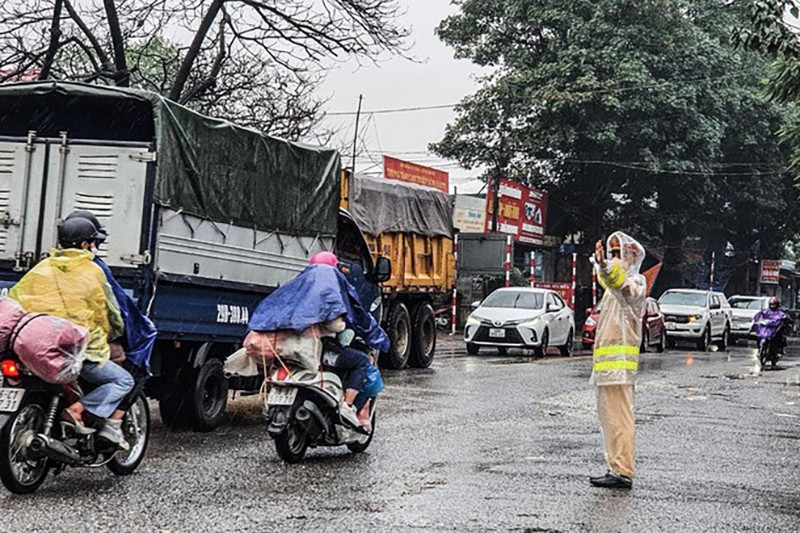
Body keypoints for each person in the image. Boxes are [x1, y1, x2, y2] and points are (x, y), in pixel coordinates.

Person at [9, 217, 133, 448]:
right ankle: (77, 410)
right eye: (92, 243)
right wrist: (116, 331)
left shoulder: (41, 268)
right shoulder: (93, 272)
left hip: (30, 346)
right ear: (86, 245)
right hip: (75, 351)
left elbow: (14, 302)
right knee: (123, 380)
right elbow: (109, 313)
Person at [63, 210, 157, 427]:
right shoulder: (95, 269)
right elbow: (117, 310)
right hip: (84, 345)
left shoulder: (45, 266)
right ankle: (110, 424)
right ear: (87, 244)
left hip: (43, 340)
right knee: (132, 373)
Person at [588, 232, 646, 489]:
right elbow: (609, 280)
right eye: (610, 254)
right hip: (608, 370)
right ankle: (615, 467)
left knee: (620, 418)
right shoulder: (613, 288)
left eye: (616, 253)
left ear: (631, 256)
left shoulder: (635, 283)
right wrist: (601, 266)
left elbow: (621, 285)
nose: (613, 259)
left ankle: (623, 471)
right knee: (609, 419)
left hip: (620, 368)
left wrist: (603, 266)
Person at [310, 252, 377, 430]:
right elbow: (340, 325)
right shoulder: (333, 292)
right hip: (323, 351)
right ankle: (347, 406)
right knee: (361, 361)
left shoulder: (302, 289)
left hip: (302, 349)